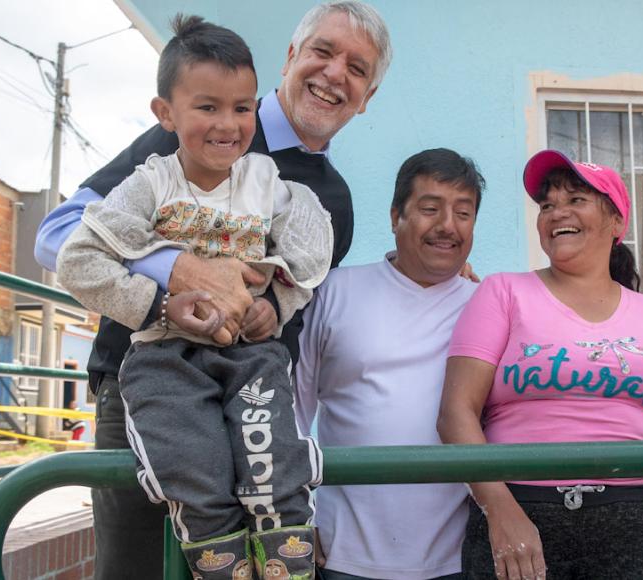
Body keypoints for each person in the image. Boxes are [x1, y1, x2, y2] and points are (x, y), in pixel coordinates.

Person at [34, 3, 391, 578]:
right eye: (323, 52)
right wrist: (180, 269)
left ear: (367, 96)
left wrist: (430, 277)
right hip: (145, 388)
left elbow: (296, 304)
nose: (333, 74)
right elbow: (58, 237)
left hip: (249, 410)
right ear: (292, 57)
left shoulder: (331, 203)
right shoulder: (189, 136)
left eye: (357, 68)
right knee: (139, 570)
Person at [436, 149, 643, 580]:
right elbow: (455, 413)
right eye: (547, 205)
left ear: (616, 223)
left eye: (576, 200)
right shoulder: (504, 293)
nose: (557, 213)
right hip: (522, 517)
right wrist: (499, 510)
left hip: (631, 525)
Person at [296, 148, 485, 579]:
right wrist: (297, 517)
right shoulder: (335, 291)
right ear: (395, 215)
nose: (447, 227)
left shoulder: (488, 306)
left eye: (463, 213)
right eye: (430, 208)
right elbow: (292, 411)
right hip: (342, 553)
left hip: (457, 559)